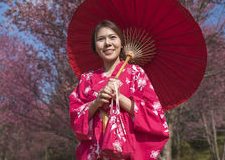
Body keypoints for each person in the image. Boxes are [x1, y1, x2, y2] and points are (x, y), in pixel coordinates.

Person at [69, 20, 169, 160]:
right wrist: (96, 102)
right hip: (97, 153)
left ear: (121, 44)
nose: (107, 43)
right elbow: (75, 118)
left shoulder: (135, 73)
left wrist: (119, 97)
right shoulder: (87, 79)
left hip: (127, 151)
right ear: (95, 47)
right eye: (101, 39)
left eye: (112, 37)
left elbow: (153, 116)